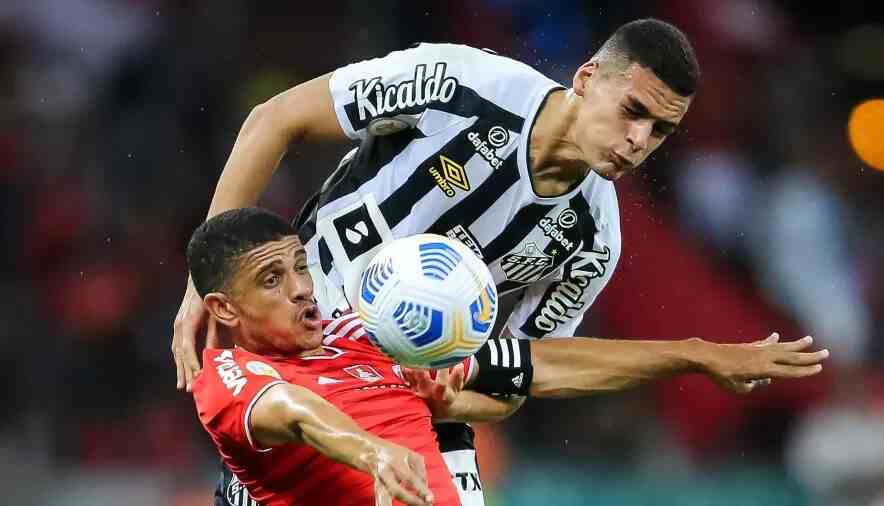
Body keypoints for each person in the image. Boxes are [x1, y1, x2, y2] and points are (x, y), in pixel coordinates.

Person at [169, 17, 778, 504]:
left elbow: (519, 374)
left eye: (661, 131)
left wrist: (455, 401)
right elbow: (275, 120)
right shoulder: (460, 83)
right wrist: (204, 284)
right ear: (589, 78)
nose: (638, 141)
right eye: (633, 111)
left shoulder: (593, 239)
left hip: (415, 394)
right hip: (304, 347)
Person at [188, 207, 828, 506]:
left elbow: (537, 364)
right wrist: (374, 451)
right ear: (223, 309)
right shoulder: (225, 376)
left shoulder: (370, 333)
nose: (302, 288)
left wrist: (696, 354)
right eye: (272, 280)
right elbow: (296, 413)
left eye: (302, 266)